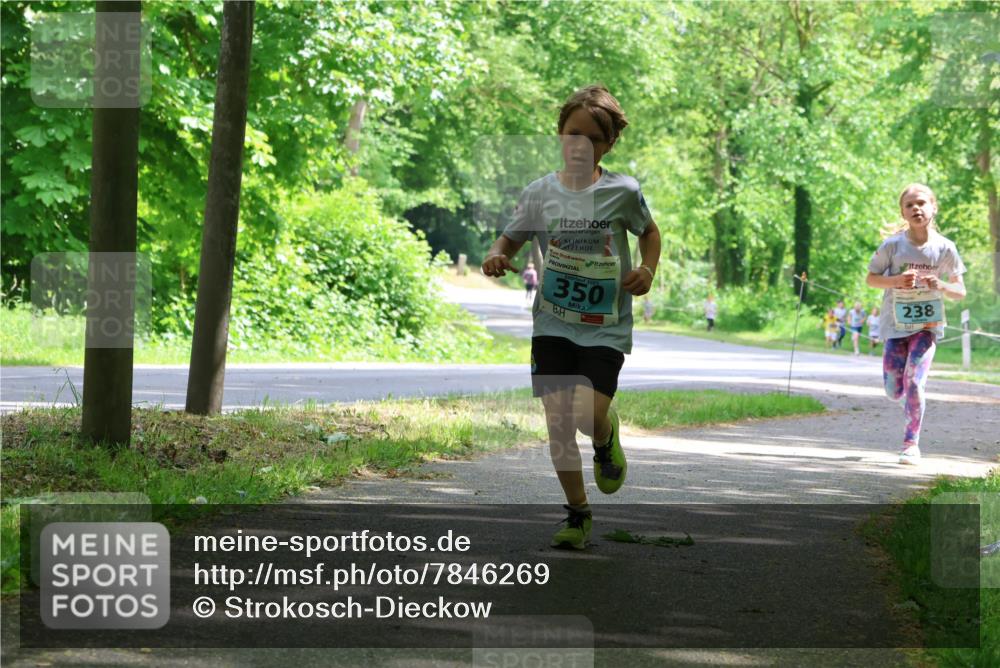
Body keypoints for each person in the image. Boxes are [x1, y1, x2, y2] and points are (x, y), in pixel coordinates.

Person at [481, 85, 661, 549]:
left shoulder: (622, 191)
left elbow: (650, 233)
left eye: (593, 139)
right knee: (558, 421)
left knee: (586, 416)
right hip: (553, 324)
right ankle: (578, 514)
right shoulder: (540, 193)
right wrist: (497, 255)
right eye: (572, 134)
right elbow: (510, 239)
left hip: (605, 325)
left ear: (609, 144)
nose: (581, 145)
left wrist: (646, 269)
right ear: (560, 136)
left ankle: (605, 436)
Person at [866, 183, 966, 465]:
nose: (916, 208)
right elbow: (871, 278)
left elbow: (960, 291)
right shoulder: (892, 246)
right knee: (893, 390)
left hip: (926, 326)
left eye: (921, 203)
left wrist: (942, 285)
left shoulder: (945, 248)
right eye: (910, 205)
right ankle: (906, 397)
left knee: (914, 381)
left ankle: (911, 444)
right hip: (895, 325)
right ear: (903, 212)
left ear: (933, 207)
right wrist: (897, 281)